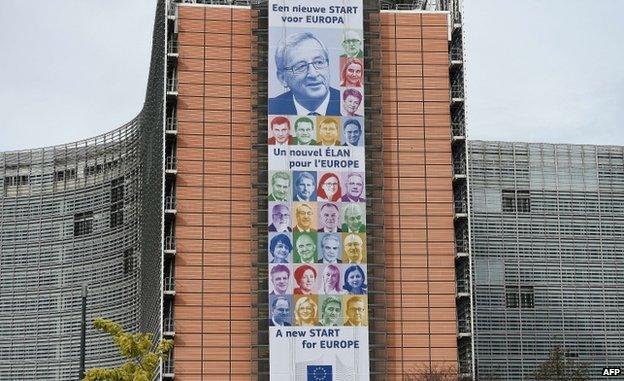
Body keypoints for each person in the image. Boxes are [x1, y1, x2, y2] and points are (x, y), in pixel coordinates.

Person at [269, 32, 341, 116]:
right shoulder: (272, 109)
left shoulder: (352, 105)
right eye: (301, 66)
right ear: (282, 78)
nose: (313, 74)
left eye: (319, 62)